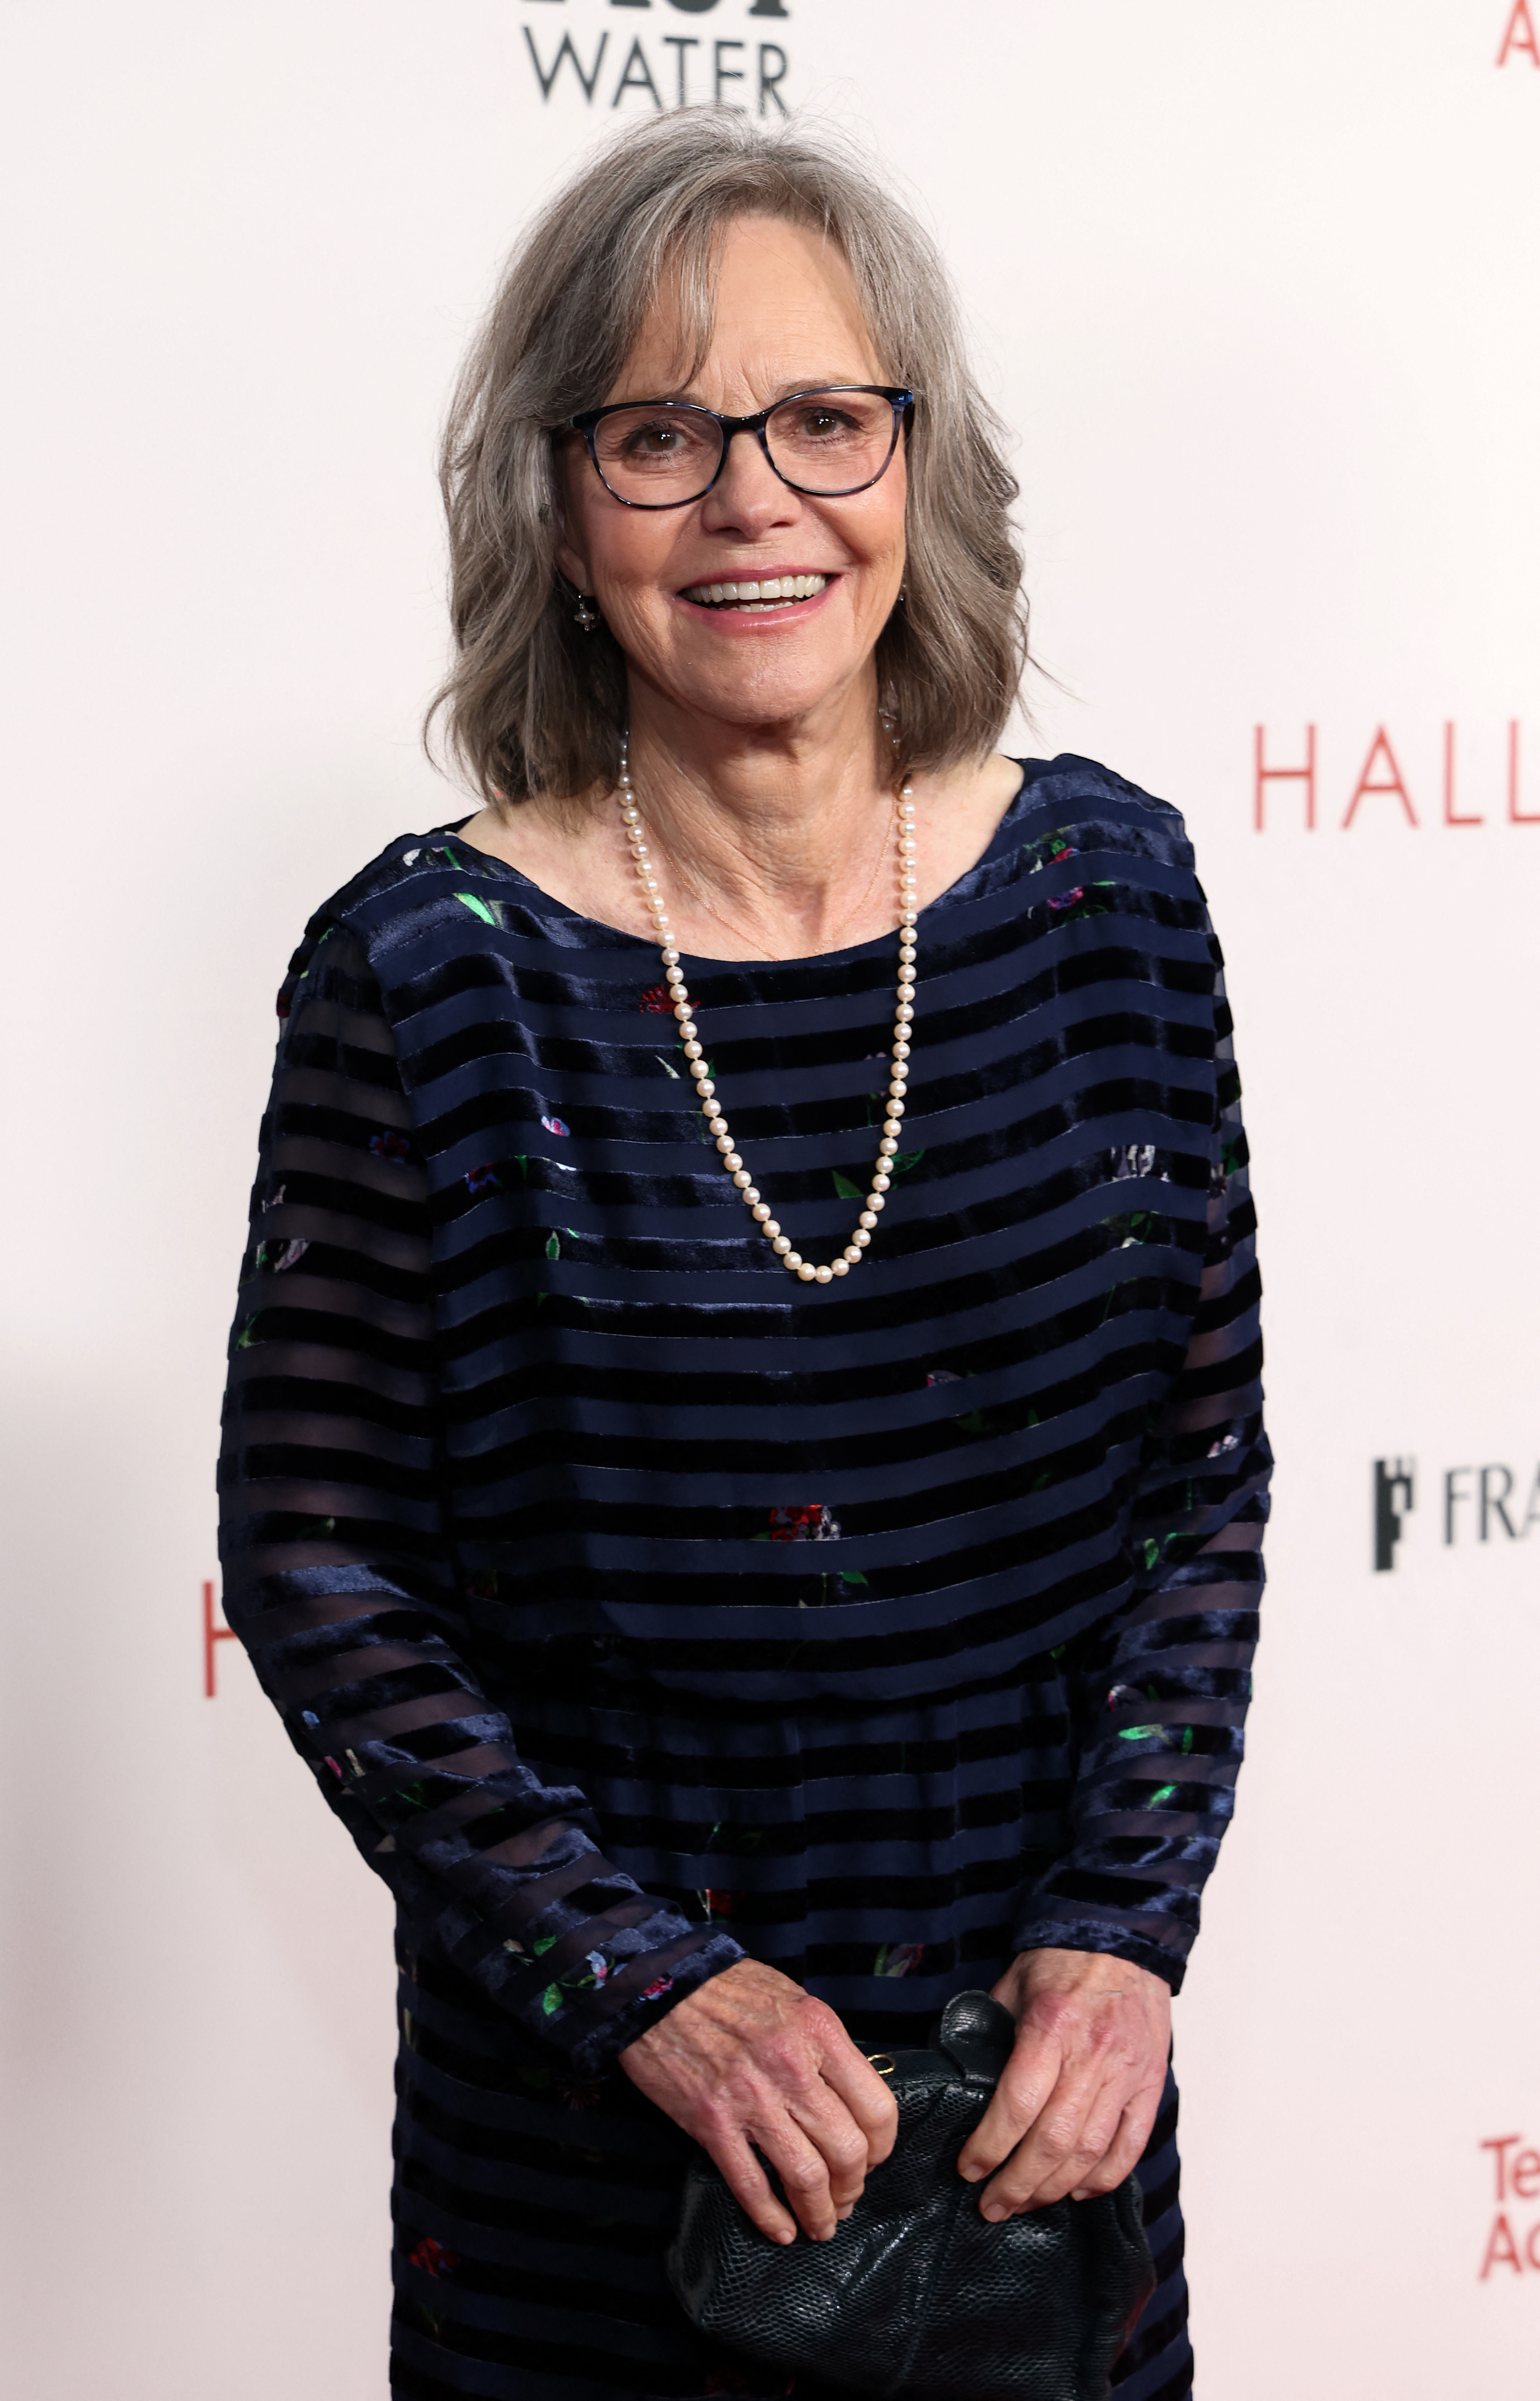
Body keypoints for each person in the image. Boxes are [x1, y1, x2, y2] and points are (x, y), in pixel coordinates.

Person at [219, 107, 1268, 2401]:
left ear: (916, 462)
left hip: (1034, 2111)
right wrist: (644, 1985)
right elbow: (314, 1566)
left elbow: (1198, 1485)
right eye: (660, 436)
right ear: (557, 504)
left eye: (820, 418)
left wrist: (1122, 1933)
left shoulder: (1114, 901)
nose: (753, 499)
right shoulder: (427, 971)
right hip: (590, 2138)